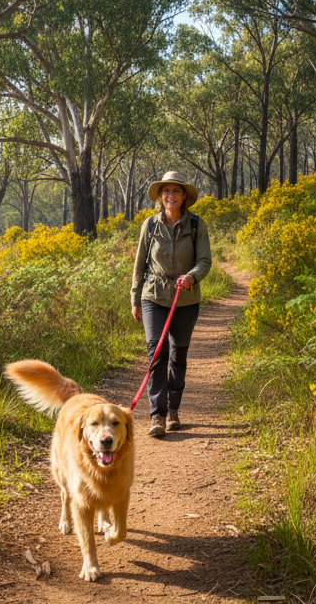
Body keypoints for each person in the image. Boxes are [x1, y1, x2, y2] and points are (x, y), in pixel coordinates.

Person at [130, 171, 212, 438]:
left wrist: (192, 276)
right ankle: (158, 415)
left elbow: (205, 261)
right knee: (156, 354)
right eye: (166, 191)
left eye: (176, 191)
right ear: (160, 196)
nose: (171, 196)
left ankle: (174, 411)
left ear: (184, 196)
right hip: (153, 296)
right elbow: (139, 264)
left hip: (185, 299)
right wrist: (135, 299)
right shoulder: (150, 225)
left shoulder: (197, 226)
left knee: (178, 356)